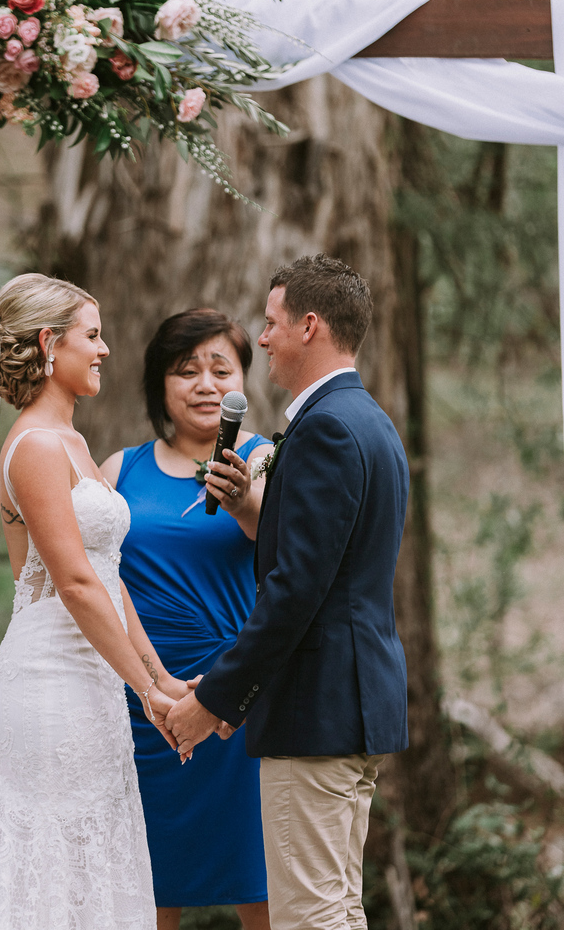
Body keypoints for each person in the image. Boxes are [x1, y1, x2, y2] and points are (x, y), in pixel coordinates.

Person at [166, 255, 410, 930]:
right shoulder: (369, 420)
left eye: (272, 323)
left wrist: (214, 699)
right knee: (336, 907)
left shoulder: (326, 429)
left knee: (310, 915)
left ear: (309, 325)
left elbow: (295, 591)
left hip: (317, 712)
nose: (263, 339)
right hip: (350, 707)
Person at [0, 275, 191, 929]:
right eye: (93, 335)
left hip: (93, 679)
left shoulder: (73, 443)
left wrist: (161, 676)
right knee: (45, 875)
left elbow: (110, 576)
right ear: (51, 344)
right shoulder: (35, 447)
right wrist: (146, 691)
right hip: (47, 683)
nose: (105, 350)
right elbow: (75, 584)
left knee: (90, 870)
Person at [102, 308, 273, 930]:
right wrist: (146, 680)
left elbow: (280, 539)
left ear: (242, 383)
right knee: (146, 881)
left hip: (232, 695)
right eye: (185, 370)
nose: (205, 384)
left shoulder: (263, 457)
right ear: (159, 384)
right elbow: (92, 576)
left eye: (220, 370)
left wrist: (243, 499)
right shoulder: (120, 469)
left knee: (259, 877)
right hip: (140, 697)